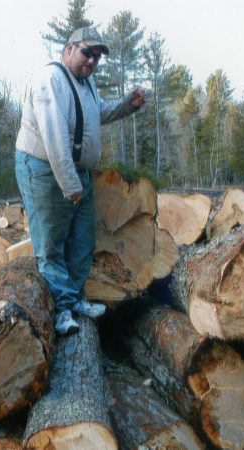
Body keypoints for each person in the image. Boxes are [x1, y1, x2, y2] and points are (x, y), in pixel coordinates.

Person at [15, 26, 146, 335]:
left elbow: (97, 112)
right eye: (88, 53)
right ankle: (61, 310)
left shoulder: (85, 84)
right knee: (51, 244)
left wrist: (128, 104)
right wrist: (70, 184)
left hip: (78, 173)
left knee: (82, 241)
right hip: (48, 170)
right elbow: (54, 139)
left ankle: (75, 300)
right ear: (69, 49)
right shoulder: (50, 81)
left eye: (97, 57)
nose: (92, 61)